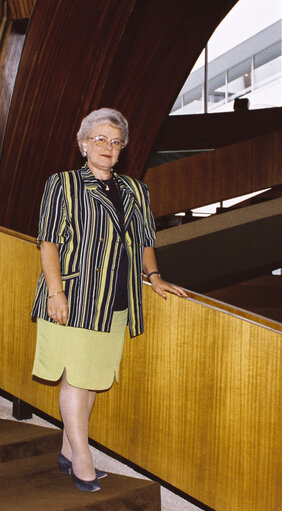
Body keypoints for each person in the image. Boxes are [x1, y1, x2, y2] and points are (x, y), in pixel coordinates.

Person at [31, 107, 187, 492]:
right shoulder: (63, 184)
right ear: (84, 144)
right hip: (74, 294)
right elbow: (48, 241)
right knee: (75, 380)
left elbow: (145, 241)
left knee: (94, 379)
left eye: (115, 142)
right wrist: (55, 292)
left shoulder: (136, 189)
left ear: (122, 151)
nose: (107, 147)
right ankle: (83, 460)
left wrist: (155, 278)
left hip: (117, 298)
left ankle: (69, 450)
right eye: (99, 139)